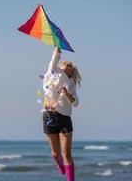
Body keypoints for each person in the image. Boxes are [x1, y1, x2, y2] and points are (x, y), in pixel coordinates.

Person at [42, 47, 81, 181]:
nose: (67, 66)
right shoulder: (51, 74)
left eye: (70, 66)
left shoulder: (71, 85)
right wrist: (57, 50)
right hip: (49, 115)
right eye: (65, 64)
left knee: (66, 153)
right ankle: (59, 164)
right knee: (55, 153)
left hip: (65, 118)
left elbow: (75, 103)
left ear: (71, 72)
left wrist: (67, 94)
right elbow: (54, 61)